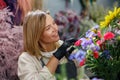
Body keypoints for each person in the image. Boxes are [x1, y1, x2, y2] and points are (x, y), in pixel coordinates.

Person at [17, 10, 78, 80]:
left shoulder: (63, 46)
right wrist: (57, 56)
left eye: (54, 23)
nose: (55, 29)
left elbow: (82, 72)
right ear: (37, 35)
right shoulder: (26, 59)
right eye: (48, 28)